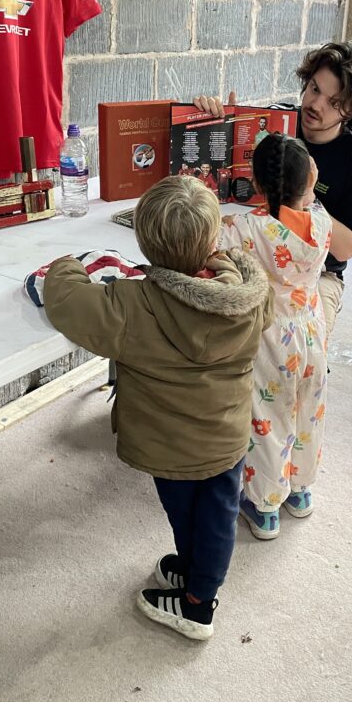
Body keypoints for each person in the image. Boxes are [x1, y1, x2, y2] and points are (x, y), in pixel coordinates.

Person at [42, 175, 272, 641]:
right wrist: (229, 262)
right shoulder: (247, 297)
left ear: (144, 243)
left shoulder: (131, 303)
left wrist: (65, 265)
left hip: (168, 446)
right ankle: (193, 574)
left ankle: (197, 603)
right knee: (218, 512)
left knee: (185, 511)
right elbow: (258, 306)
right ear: (213, 241)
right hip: (226, 438)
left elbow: (67, 302)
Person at [194, 41, 352, 335]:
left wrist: (305, 199)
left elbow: (346, 249)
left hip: (315, 275)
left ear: (351, 110)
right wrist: (214, 125)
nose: (315, 104)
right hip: (248, 252)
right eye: (315, 88)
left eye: (333, 102)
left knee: (295, 343)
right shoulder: (274, 121)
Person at [218, 133, 332, 540]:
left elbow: (210, 243)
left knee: (268, 417)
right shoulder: (321, 224)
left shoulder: (245, 227)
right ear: (309, 182)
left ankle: (264, 505)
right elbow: (306, 205)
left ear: (256, 182)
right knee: (307, 409)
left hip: (270, 336)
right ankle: (299, 490)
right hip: (312, 332)